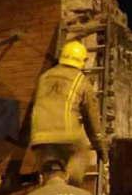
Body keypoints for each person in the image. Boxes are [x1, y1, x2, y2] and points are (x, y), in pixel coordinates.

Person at [30, 40, 108, 185]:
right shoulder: (81, 81)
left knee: (48, 177)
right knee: (81, 154)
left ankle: (48, 192)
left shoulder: (44, 76)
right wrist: (100, 147)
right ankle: (71, 190)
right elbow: (91, 119)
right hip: (66, 136)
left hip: (38, 138)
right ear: (82, 61)